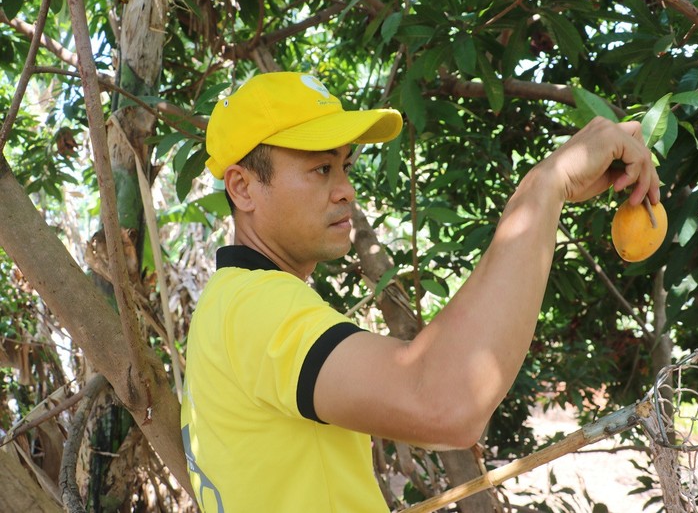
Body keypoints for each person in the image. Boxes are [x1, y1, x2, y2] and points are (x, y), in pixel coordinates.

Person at [180, 71, 661, 512]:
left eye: (344, 166)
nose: (346, 188)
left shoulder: (227, 304)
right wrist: (544, 186)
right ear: (243, 189)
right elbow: (446, 402)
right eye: (320, 169)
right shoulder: (258, 306)